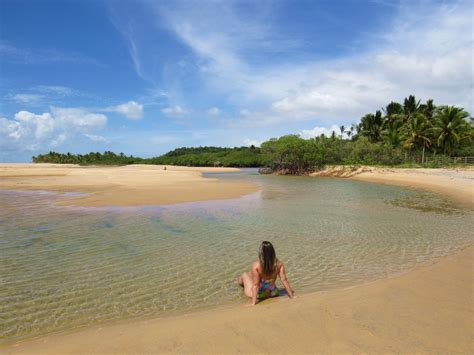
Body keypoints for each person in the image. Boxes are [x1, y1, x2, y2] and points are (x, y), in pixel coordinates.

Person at [239, 241, 294, 305]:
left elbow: (256, 285)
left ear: (260, 253)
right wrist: (291, 296)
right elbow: (284, 280)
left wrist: (253, 303)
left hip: (259, 295)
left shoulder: (256, 265)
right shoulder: (279, 264)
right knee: (251, 275)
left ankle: (241, 283)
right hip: (273, 293)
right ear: (273, 252)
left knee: (244, 274)